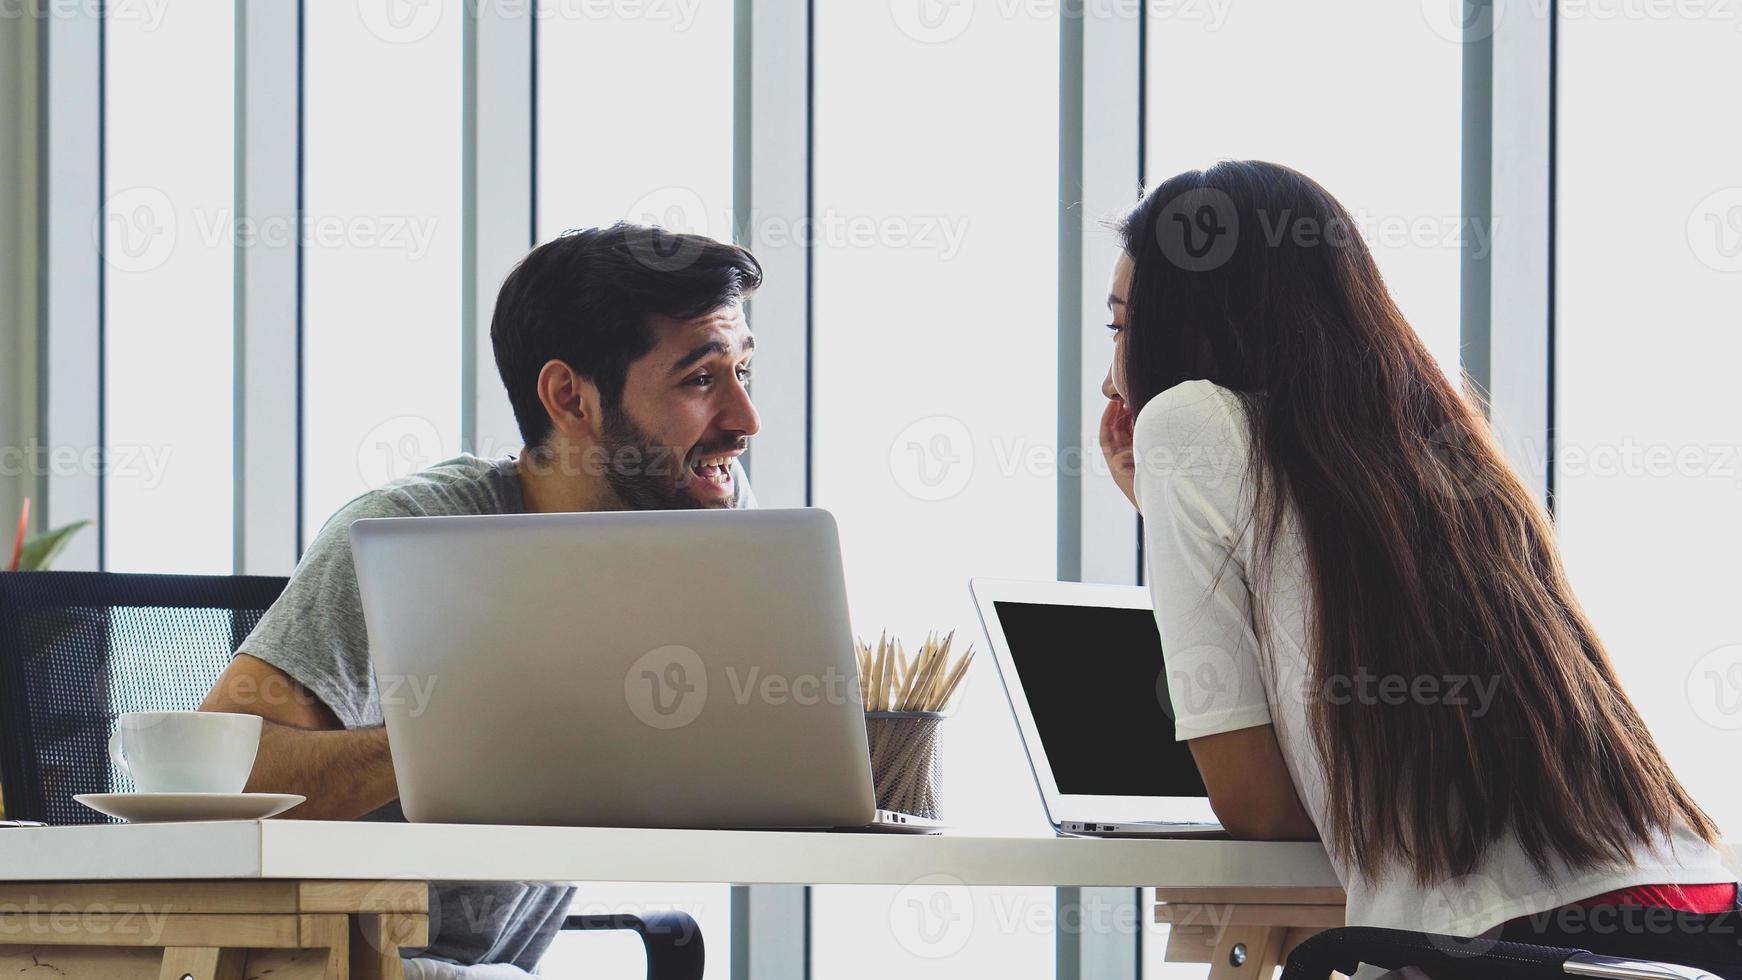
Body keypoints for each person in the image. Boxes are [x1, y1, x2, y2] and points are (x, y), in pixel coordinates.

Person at [1097, 161, 1742, 972]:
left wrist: (1167, 490)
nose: (1113, 373)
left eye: (1123, 329)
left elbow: (1258, 806)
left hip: (1508, 954)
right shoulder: (1433, 448)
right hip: (1697, 928)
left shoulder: (1184, 421)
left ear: (1187, 328)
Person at [201, 223, 763, 979]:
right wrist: (470, 743)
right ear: (570, 397)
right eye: (700, 381)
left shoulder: (702, 530)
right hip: (359, 966)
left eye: (743, 373)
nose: (744, 420)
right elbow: (213, 777)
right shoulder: (414, 536)